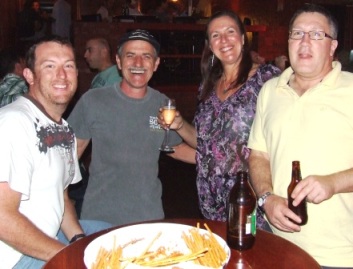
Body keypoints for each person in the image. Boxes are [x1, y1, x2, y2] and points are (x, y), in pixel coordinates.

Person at [247, 4, 353, 268]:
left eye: (317, 34)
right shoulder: (270, 90)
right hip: (277, 244)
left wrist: (334, 183)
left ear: (332, 46)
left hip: (339, 254)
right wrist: (266, 198)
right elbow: (259, 154)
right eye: (297, 34)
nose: (305, 41)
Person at [159, 10, 281, 228]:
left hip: (250, 197)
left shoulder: (267, 79)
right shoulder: (208, 85)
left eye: (230, 32)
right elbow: (205, 143)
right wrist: (180, 125)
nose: (223, 40)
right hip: (211, 199)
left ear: (243, 39)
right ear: (210, 45)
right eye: (215, 35)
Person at [0, 36, 112, 269]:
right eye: (49, 66)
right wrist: (72, 256)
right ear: (29, 76)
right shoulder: (14, 122)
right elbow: (3, 219)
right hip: (15, 257)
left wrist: (79, 241)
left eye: (68, 66)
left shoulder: (64, 129)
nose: (62, 75)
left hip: (49, 238)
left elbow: (61, 200)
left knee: (113, 235)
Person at [67, 29, 182, 225]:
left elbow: (174, 148)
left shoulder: (162, 104)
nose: (138, 63)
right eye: (130, 56)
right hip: (99, 218)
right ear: (119, 62)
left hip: (149, 217)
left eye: (146, 56)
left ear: (156, 64)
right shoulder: (93, 101)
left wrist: (214, 161)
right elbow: (69, 156)